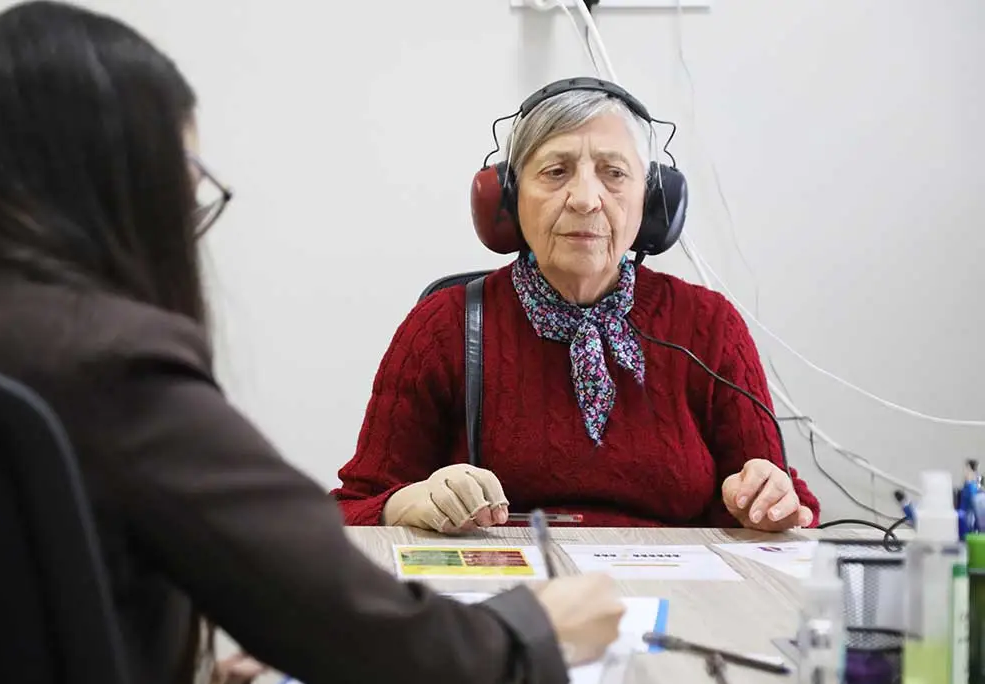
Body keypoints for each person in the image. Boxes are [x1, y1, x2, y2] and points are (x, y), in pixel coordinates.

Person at [0, 3, 631, 684]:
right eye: (186, 186)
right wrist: (535, 630)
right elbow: (361, 631)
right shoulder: (111, 369)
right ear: (125, 185)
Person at [331, 80, 822, 534]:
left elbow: (785, 505)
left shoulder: (709, 325)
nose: (586, 199)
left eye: (614, 174)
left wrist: (768, 502)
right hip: (505, 590)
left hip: (673, 593)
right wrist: (411, 502)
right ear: (508, 198)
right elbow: (352, 508)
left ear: (652, 202)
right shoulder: (444, 326)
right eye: (556, 172)